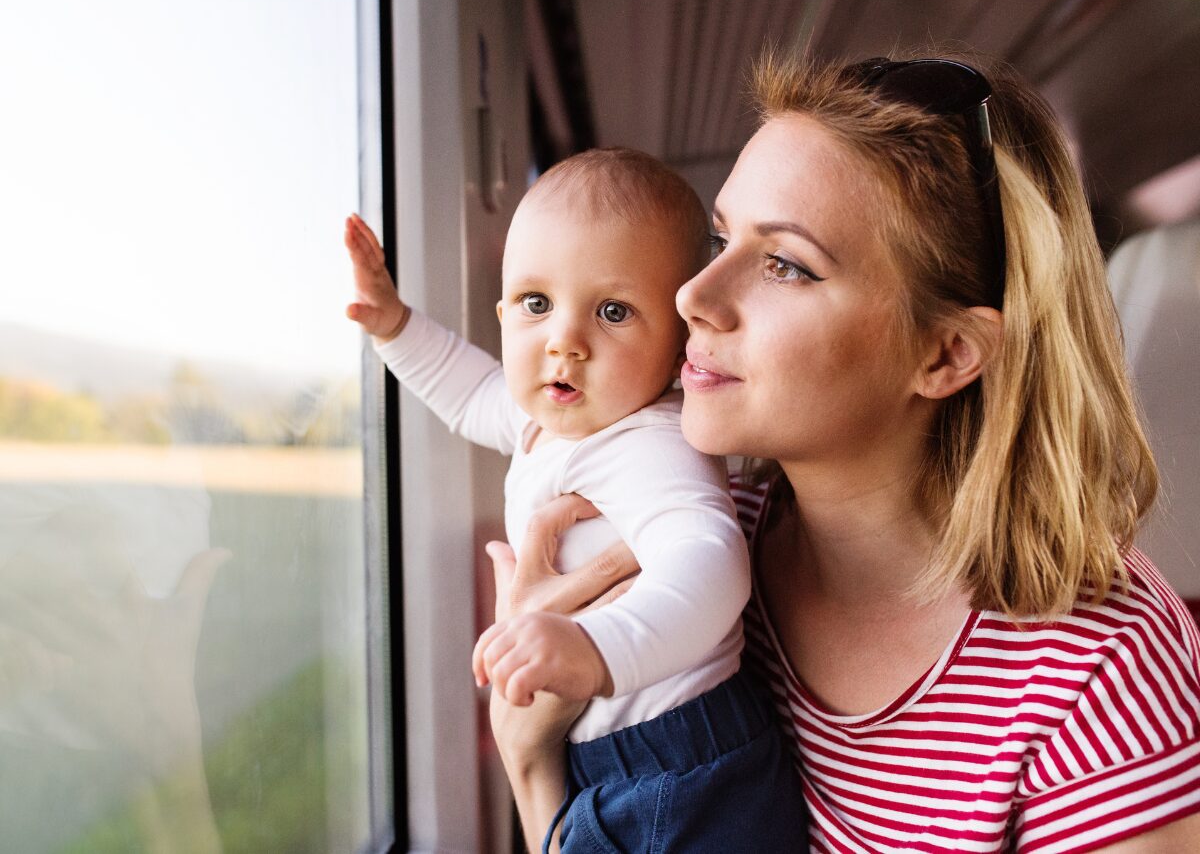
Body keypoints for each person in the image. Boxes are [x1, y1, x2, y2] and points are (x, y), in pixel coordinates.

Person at [486, 51, 1200, 853]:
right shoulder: (661, 551)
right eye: (720, 238)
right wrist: (530, 750)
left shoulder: (1099, 664)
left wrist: (530, 760)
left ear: (946, 354)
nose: (692, 296)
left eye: (785, 265)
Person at [343, 148, 806, 851]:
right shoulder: (549, 419)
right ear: (502, 312)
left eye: (613, 312)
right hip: (617, 759)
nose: (565, 341)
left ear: (682, 341)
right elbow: (469, 393)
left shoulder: (650, 442)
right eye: (536, 304)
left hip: (680, 767)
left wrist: (595, 648)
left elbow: (712, 561)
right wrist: (394, 326)